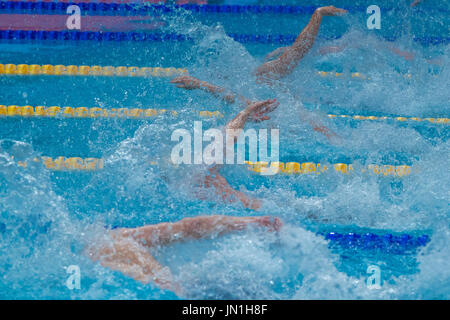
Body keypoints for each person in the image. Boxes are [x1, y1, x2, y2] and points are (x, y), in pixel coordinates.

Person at [86, 100, 282, 294]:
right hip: (270, 210)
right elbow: (192, 226)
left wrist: (244, 115)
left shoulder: (105, 247)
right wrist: (244, 115)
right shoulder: (200, 176)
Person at [170, 6, 347, 141]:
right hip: (292, 120)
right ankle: (319, 14)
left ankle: (319, 13)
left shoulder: (259, 78)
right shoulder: (253, 85)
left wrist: (200, 85)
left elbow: (297, 52)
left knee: (290, 60)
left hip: (290, 118)